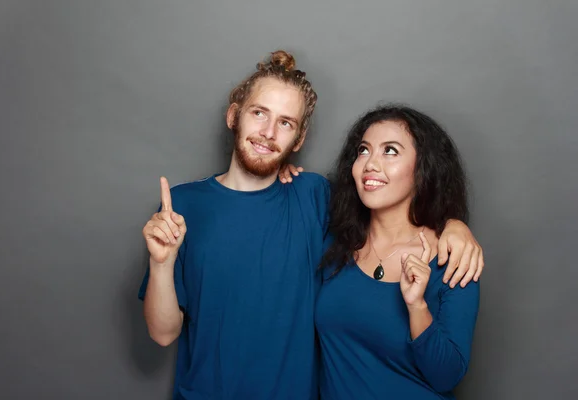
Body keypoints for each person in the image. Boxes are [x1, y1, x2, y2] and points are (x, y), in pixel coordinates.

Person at [137, 50, 483, 400]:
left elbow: (389, 203)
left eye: (285, 123)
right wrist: (161, 263)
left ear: (298, 140)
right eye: (259, 113)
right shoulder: (181, 207)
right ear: (234, 115)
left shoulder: (313, 195)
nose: (268, 133)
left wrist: (454, 225)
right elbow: (164, 333)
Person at [314, 104, 480, 399]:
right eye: (363, 150)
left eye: (390, 151)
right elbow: (282, 188)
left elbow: (446, 376)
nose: (370, 164)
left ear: (423, 169)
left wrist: (417, 308)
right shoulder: (334, 242)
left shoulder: (452, 257)